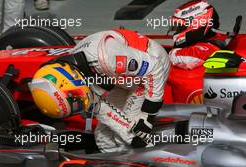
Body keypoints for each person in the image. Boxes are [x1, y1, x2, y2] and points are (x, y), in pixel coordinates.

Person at [29, 29, 170, 153]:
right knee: (103, 138)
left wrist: (148, 114)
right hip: (120, 79)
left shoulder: (107, 57)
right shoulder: (74, 78)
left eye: (76, 103)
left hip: (151, 67)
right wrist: (128, 131)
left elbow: (154, 68)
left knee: (127, 137)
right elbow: (101, 109)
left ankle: (155, 155)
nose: (80, 105)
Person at [168, 0, 224, 70]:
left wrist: (166, 55)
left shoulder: (210, 47)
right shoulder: (209, 40)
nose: (177, 30)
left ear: (196, 24)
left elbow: (185, 57)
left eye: (180, 26)